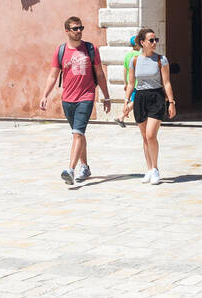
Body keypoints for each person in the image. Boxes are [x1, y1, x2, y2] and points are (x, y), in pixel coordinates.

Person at [39, 16, 111, 185]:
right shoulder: (61, 51)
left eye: (81, 28)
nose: (79, 31)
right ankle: (85, 166)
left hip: (86, 97)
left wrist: (106, 97)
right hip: (67, 99)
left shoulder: (91, 49)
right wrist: (45, 95)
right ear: (67, 31)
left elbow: (99, 74)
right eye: (75, 29)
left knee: (77, 133)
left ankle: (70, 170)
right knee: (79, 134)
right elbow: (53, 75)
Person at [130, 27, 175, 184]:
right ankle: (149, 169)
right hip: (140, 97)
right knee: (144, 137)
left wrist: (171, 102)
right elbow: (131, 83)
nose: (155, 42)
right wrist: (127, 100)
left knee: (150, 135)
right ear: (142, 43)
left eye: (156, 40)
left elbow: (167, 82)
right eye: (151, 40)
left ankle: (155, 169)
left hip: (156, 97)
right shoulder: (134, 60)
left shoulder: (161, 59)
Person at [115, 34, 139, 126]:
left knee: (134, 101)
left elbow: (125, 69)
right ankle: (121, 117)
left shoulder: (128, 55)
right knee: (135, 101)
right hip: (137, 83)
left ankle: (122, 117)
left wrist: (125, 82)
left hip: (130, 82)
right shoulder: (139, 55)